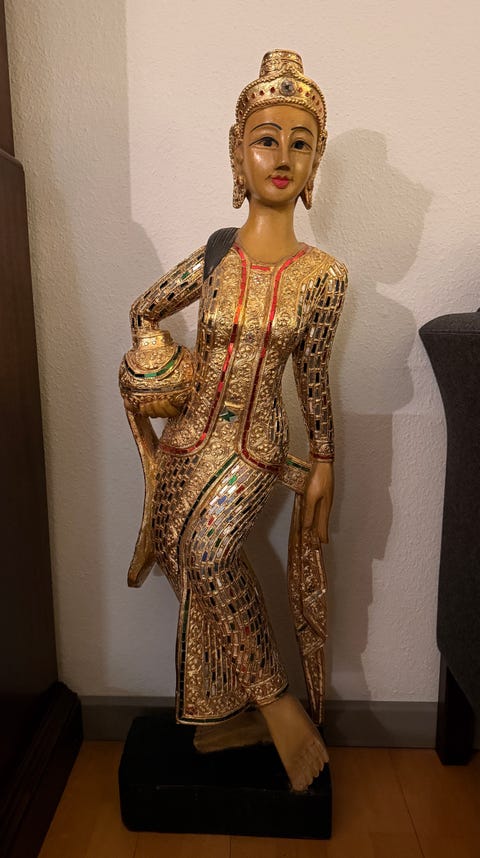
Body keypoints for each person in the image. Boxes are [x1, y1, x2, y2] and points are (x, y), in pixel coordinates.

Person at [121, 50, 348, 792]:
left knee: (211, 552)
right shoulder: (216, 256)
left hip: (256, 448)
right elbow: (144, 311)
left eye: (300, 143)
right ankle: (225, 716)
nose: (281, 157)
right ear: (237, 152)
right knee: (180, 557)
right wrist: (159, 373)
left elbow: (312, 378)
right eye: (266, 139)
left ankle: (279, 707)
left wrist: (325, 459)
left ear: (314, 163)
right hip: (188, 439)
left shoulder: (323, 277)